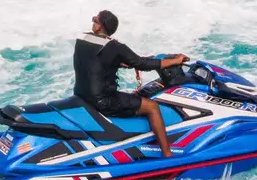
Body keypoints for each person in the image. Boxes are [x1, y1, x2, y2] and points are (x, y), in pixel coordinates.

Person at [74, 10, 187, 157]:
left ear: (99, 27)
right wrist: (175, 61)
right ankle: (167, 154)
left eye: (94, 19)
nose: (92, 22)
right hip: (102, 101)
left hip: (81, 95)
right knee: (152, 106)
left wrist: (120, 62)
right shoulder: (115, 47)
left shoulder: (82, 39)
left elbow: (93, 62)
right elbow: (142, 64)